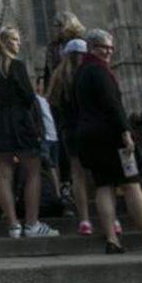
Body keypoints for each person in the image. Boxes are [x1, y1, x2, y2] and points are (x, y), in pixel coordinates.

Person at [71, 29, 142, 254]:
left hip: (88, 136)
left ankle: (112, 239)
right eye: (104, 47)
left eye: (111, 48)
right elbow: (113, 105)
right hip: (111, 136)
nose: (109, 52)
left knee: (104, 186)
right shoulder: (100, 71)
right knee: (131, 184)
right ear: (92, 48)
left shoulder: (80, 72)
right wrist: (125, 132)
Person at [0, 26, 59, 239]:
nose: (19, 43)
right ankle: (32, 224)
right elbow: (28, 96)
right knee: (33, 172)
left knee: (3, 176)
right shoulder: (16, 66)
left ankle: (13, 225)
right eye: (15, 40)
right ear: (6, 43)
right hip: (20, 124)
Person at [47, 38, 95, 235]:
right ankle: (108, 217)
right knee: (98, 175)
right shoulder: (91, 73)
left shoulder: (59, 78)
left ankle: (84, 219)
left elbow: (53, 105)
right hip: (92, 128)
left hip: (70, 131)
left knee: (77, 175)